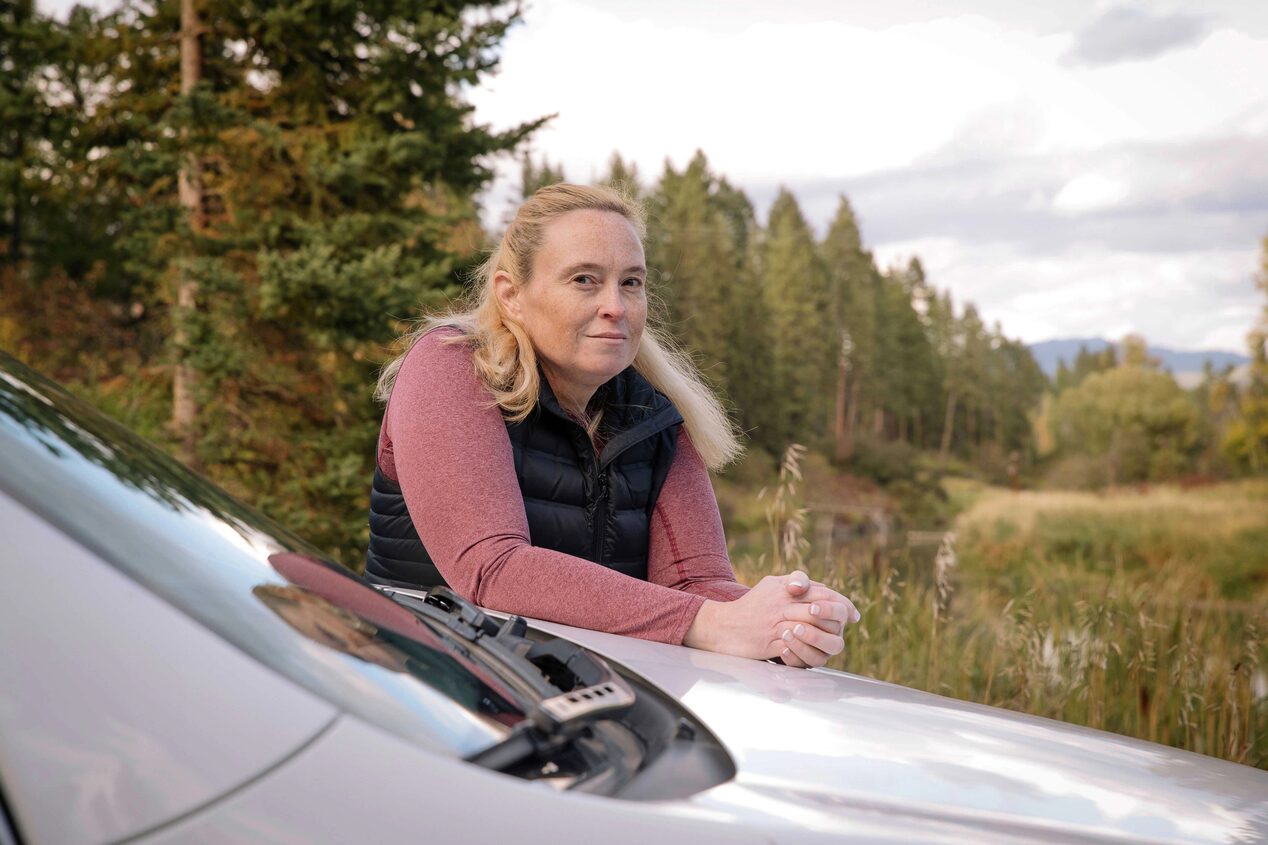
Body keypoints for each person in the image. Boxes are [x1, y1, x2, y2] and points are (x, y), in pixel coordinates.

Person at [365, 183, 859, 668]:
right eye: (584, 279)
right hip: (425, 696)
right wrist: (714, 624)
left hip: (586, 710)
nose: (616, 306)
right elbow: (492, 569)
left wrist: (786, 621)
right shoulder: (450, 367)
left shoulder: (654, 414)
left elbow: (695, 585)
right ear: (512, 296)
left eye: (631, 282)